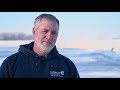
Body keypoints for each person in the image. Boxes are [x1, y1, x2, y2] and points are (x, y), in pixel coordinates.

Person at [0, 14, 80, 78]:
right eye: (45, 31)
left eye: (54, 33)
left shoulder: (68, 66)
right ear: (34, 31)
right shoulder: (11, 63)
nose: (49, 37)